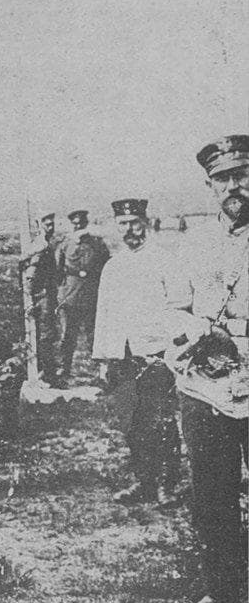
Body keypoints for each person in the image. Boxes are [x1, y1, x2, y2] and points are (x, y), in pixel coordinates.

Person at [164, 135, 249, 603]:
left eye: (242, 175)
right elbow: (175, 306)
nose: (233, 186)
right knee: (212, 497)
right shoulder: (193, 243)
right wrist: (198, 331)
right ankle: (221, 599)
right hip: (205, 386)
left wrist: (234, 339)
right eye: (223, 179)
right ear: (209, 186)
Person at [92, 198, 181, 505]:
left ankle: (166, 485)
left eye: (134, 223)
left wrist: (174, 352)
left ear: (145, 222)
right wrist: (104, 359)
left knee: (162, 421)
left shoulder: (164, 260)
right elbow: (103, 314)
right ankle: (144, 481)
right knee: (132, 423)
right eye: (123, 224)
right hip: (123, 356)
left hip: (157, 354)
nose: (129, 229)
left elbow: (179, 308)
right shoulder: (112, 266)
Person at [56, 209, 110, 380]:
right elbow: (58, 270)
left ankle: (98, 372)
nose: (78, 226)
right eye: (75, 223)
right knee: (68, 335)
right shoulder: (65, 244)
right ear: (71, 224)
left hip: (91, 296)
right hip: (71, 297)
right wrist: (63, 292)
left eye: (81, 223)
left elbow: (106, 266)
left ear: (86, 223)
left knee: (93, 335)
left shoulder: (97, 243)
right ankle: (65, 368)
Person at [21, 210, 60, 384]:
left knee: (47, 335)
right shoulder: (41, 245)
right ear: (39, 225)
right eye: (47, 224)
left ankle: (46, 372)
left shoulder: (46, 243)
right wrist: (30, 296)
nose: (50, 227)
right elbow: (31, 273)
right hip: (43, 295)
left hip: (48, 293)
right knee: (46, 335)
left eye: (52, 224)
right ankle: (46, 373)